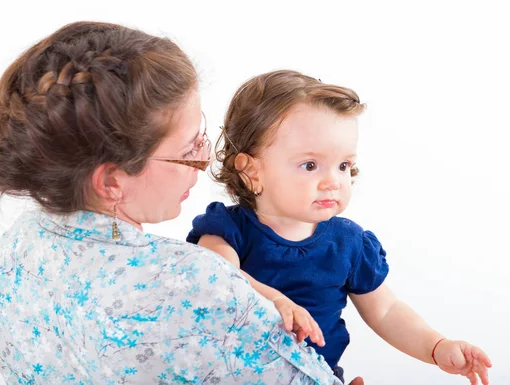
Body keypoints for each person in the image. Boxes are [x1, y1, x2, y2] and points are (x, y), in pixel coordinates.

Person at [0, 22, 364, 385]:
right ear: (112, 181)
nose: (204, 162)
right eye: (188, 151)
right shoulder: (192, 281)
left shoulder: (18, 244)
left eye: (202, 136)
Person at [187, 70, 493, 385]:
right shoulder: (227, 230)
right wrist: (274, 301)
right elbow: (219, 280)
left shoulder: (347, 242)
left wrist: (436, 346)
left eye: (344, 165)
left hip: (318, 378)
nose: (333, 181)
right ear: (252, 171)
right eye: (310, 165)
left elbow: (386, 311)